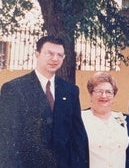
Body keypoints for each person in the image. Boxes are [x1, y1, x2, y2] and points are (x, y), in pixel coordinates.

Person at [0, 36, 89, 167]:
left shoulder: (70, 91)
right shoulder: (15, 89)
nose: (55, 58)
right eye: (50, 53)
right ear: (37, 54)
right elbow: (7, 138)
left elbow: (77, 136)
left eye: (59, 55)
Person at [81, 72, 129, 168]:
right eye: (99, 91)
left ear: (114, 95)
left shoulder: (125, 120)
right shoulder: (81, 119)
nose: (104, 96)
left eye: (109, 92)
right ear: (91, 94)